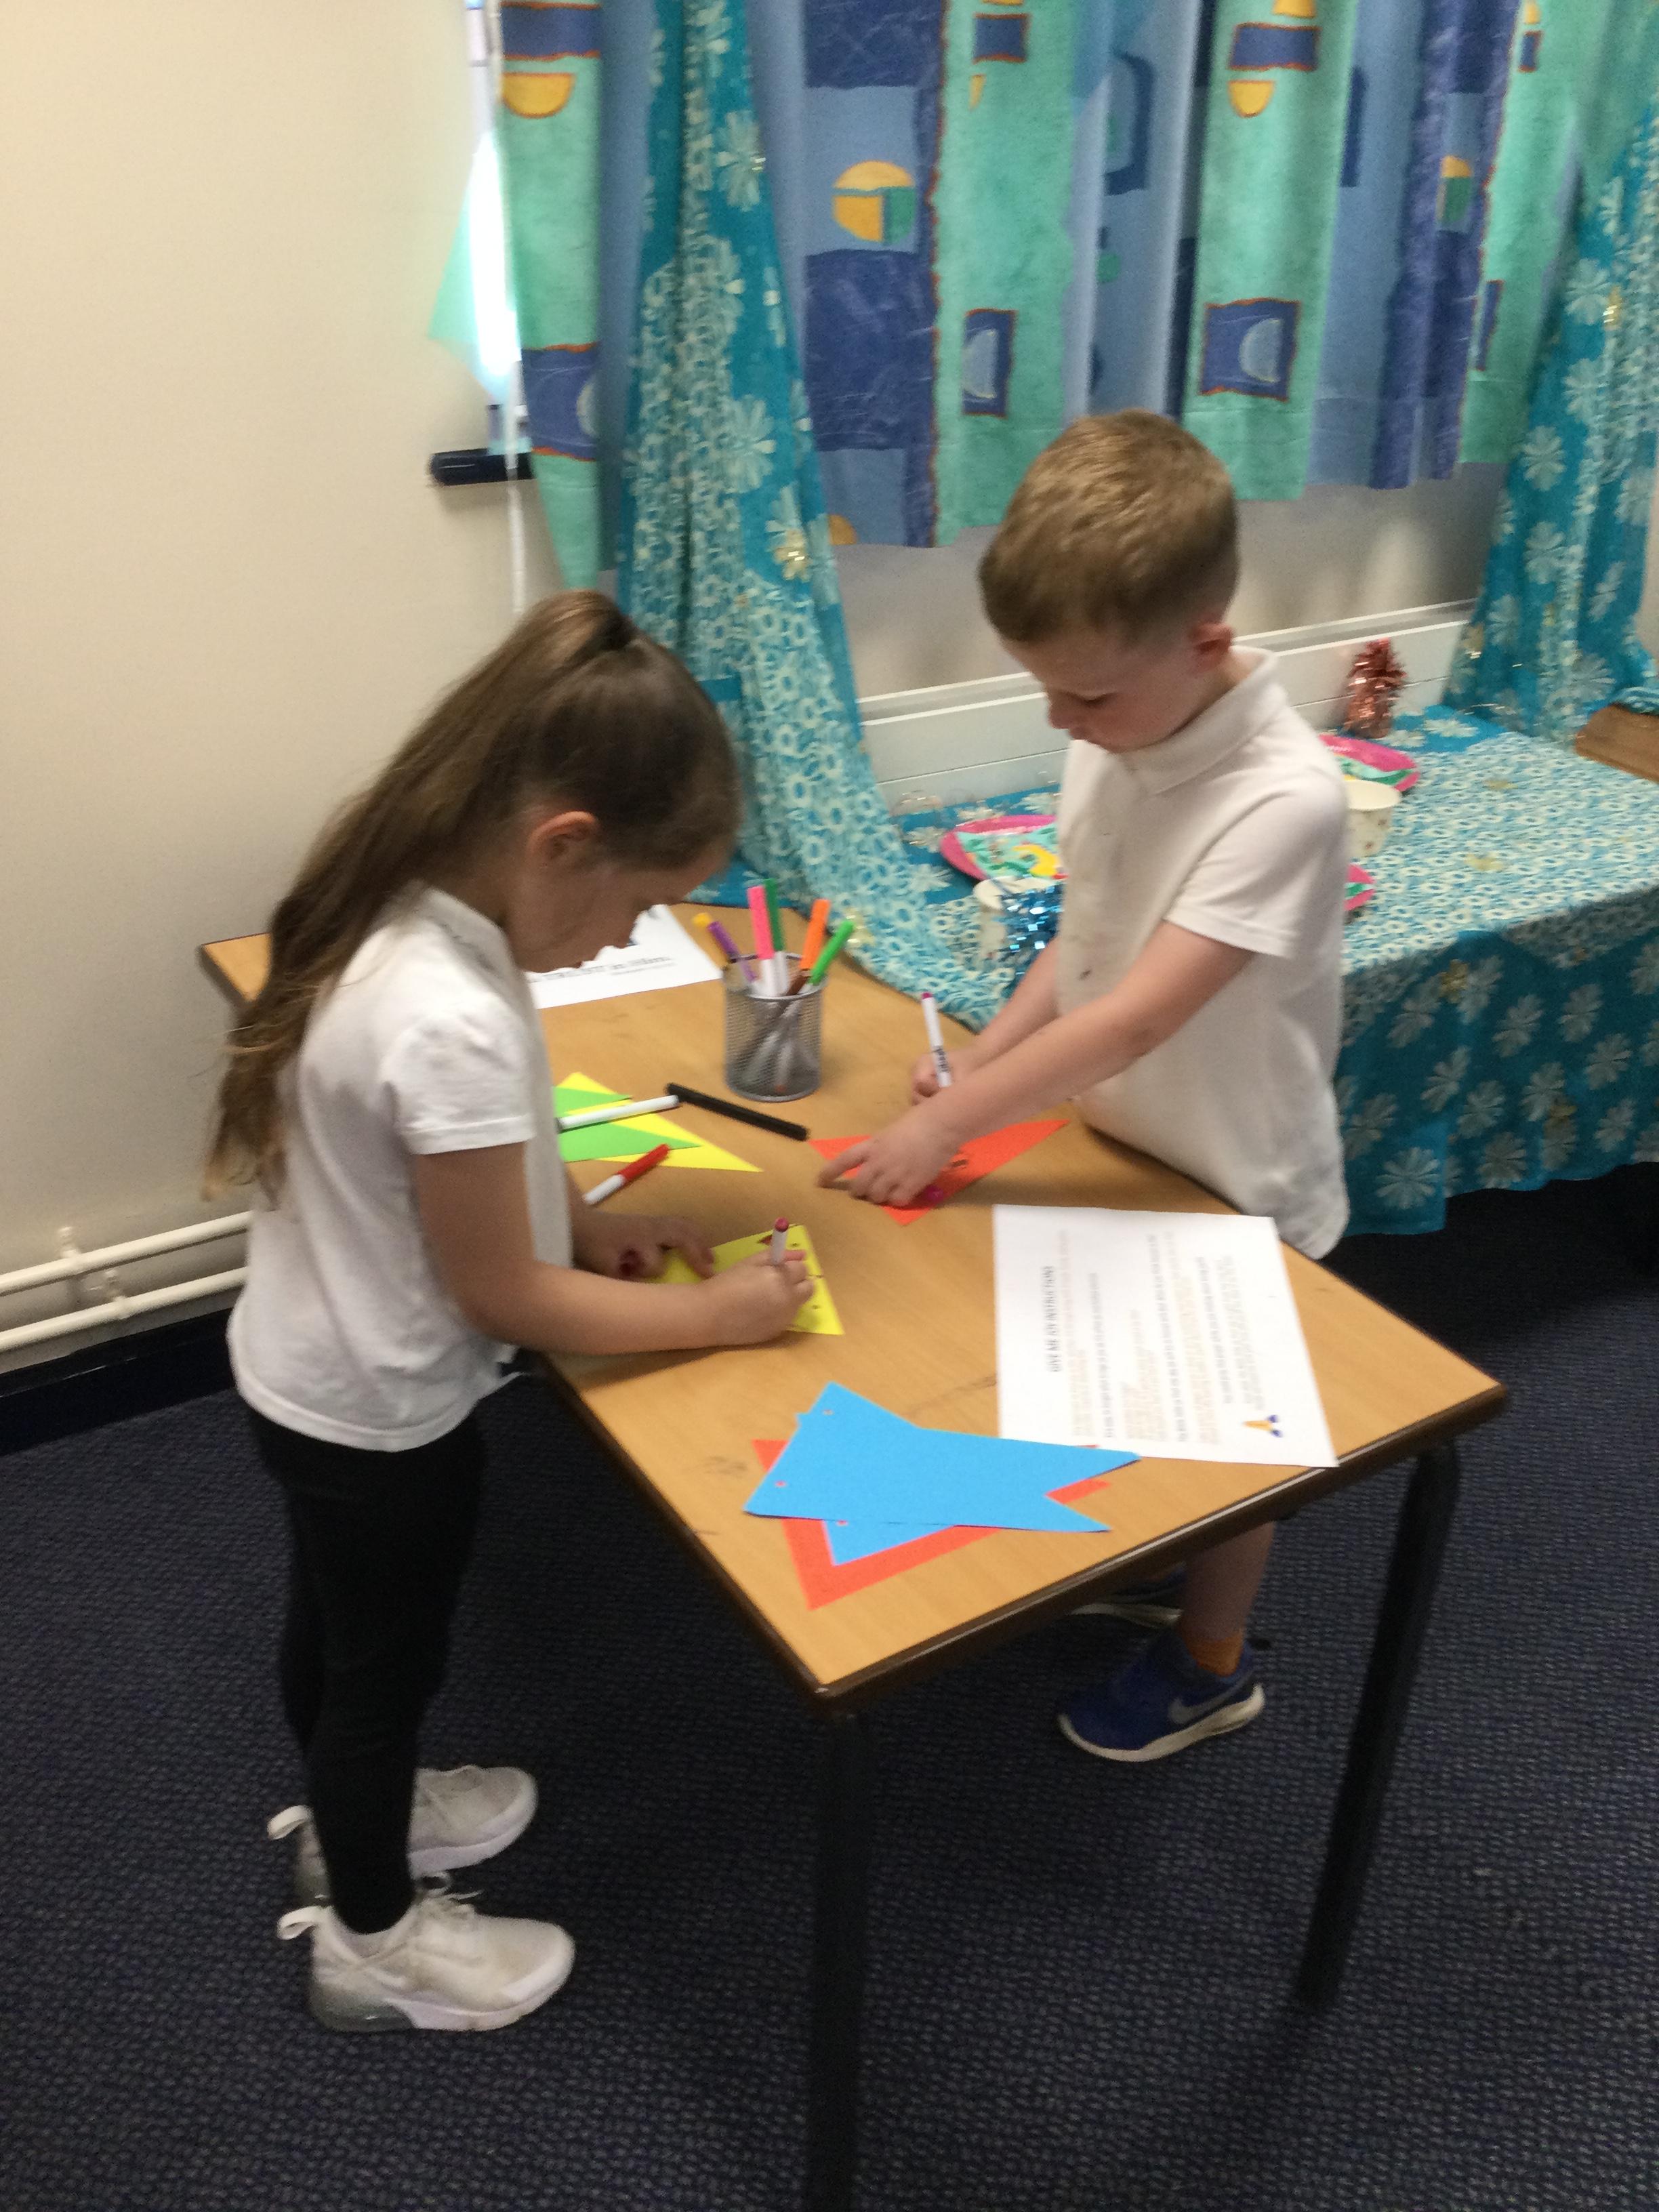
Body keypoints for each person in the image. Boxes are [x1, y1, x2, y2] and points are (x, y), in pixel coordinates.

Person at [208, 592, 809, 2032]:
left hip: (309, 1372)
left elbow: (445, 1178)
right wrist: (728, 1314)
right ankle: (371, 1939)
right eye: (643, 905)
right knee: (383, 1665)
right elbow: (504, 1295)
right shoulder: (453, 1018)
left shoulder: (407, 906)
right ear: (563, 844)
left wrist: (586, 1221)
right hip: (383, 1416)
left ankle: (355, 1814)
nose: (631, 938)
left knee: (342, 1631)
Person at [818, 410, 1349, 1765]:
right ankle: (1160, 1573)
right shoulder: (1117, 733)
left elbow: (1138, 1013)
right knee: (1114, 1385)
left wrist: (948, 1122)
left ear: (1207, 642)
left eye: (1089, 697)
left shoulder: (1284, 800)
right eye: (1044, 690)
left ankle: (1211, 1664)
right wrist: (980, 1065)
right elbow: (1087, 939)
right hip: (1129, 1138)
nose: (1061, 722)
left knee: (1236, 1448)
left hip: (1237, 1173)